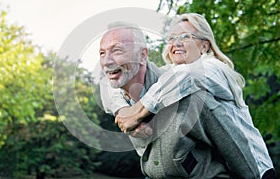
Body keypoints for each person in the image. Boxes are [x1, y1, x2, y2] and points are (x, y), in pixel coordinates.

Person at [99, 18, 275, 178]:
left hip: (257, 168)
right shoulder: (167, 81)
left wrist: (138, 111)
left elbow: (188, 75)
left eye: (185, 36)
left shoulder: (215, 69)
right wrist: (123, 112)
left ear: (204, 46)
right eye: (172, 39)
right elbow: (107, 84)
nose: (176, 43)